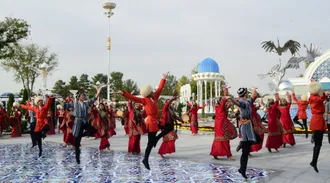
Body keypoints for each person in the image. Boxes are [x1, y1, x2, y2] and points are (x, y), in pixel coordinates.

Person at [116, 72, 168, 170]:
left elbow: (160, 89)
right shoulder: (145, 100)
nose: (154, 91)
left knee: (168, 128)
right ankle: (145, 160)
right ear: (149, 93)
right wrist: (123, 93)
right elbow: (133, 98)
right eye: (152, 90)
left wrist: (163, 78)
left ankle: (155, 142)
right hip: (151, 122)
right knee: (150, 143)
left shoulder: (155, 97)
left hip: (156, 121)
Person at [65, 86, 105, 164]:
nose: (84, 96)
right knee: (77, 144)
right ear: (79, 97)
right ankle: (77, 159)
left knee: (94, 130)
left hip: (84, 122)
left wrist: (99, 90)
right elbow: (65, 105)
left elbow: (94, 98)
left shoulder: (86, 103)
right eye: (82, 95)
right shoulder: (75, 103)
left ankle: (81, 135)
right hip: (77, 122)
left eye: (84, 95)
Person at [227, 87, 258, 179]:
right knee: (245, 151)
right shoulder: (243, 102)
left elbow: (253, 95)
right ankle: (242, 170)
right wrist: (230, 98)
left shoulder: (248, 100)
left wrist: (254, 89)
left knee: (256, 139)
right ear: (245, 94)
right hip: (245, 128)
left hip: (249, 126)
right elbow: (237, 103)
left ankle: (242, 143)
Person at [210, 87, 237, 160]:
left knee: (218, 139)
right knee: (225, 138)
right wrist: (226, 91)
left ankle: (215, 153)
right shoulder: (221, 107)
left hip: (218, 124)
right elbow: (224, 101)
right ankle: (228, 154)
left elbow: (227, 105)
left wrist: (229, 102)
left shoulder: (218, 107)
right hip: (222, 124)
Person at [308, 81, 329, 173]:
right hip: (317, 120)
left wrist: (324, 94)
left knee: (318, 142)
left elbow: (322, 98)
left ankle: (314, 161)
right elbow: (320, 99)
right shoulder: (314, 98)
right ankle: (314, 161)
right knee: (318, 143)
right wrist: (324, 93)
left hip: (318, 119)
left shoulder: (313, 97)